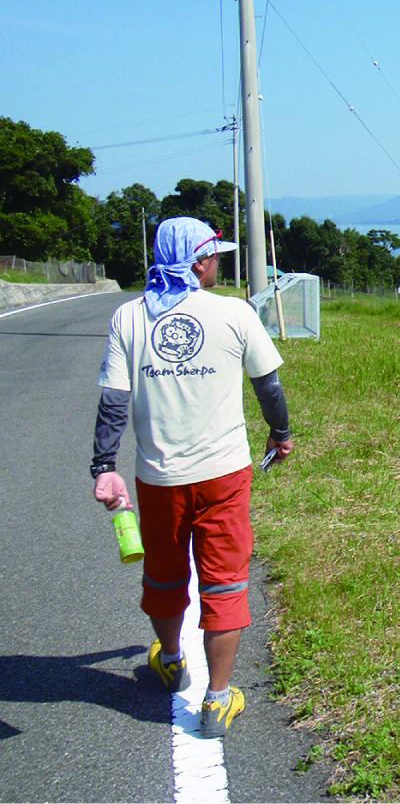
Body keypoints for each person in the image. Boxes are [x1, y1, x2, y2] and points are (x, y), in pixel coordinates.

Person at [90, 217, 294, 738]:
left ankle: (173, 660)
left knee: (163, 571)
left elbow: (114, 401)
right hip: (224, 473)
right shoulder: (234, 313)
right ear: (199, 262)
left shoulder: (129, 318)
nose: (219, 263)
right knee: (224, 579)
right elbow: (267, 384)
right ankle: (218, 698)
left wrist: (104, 466)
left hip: (158, 476)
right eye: (215, 256)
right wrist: (280, 434)